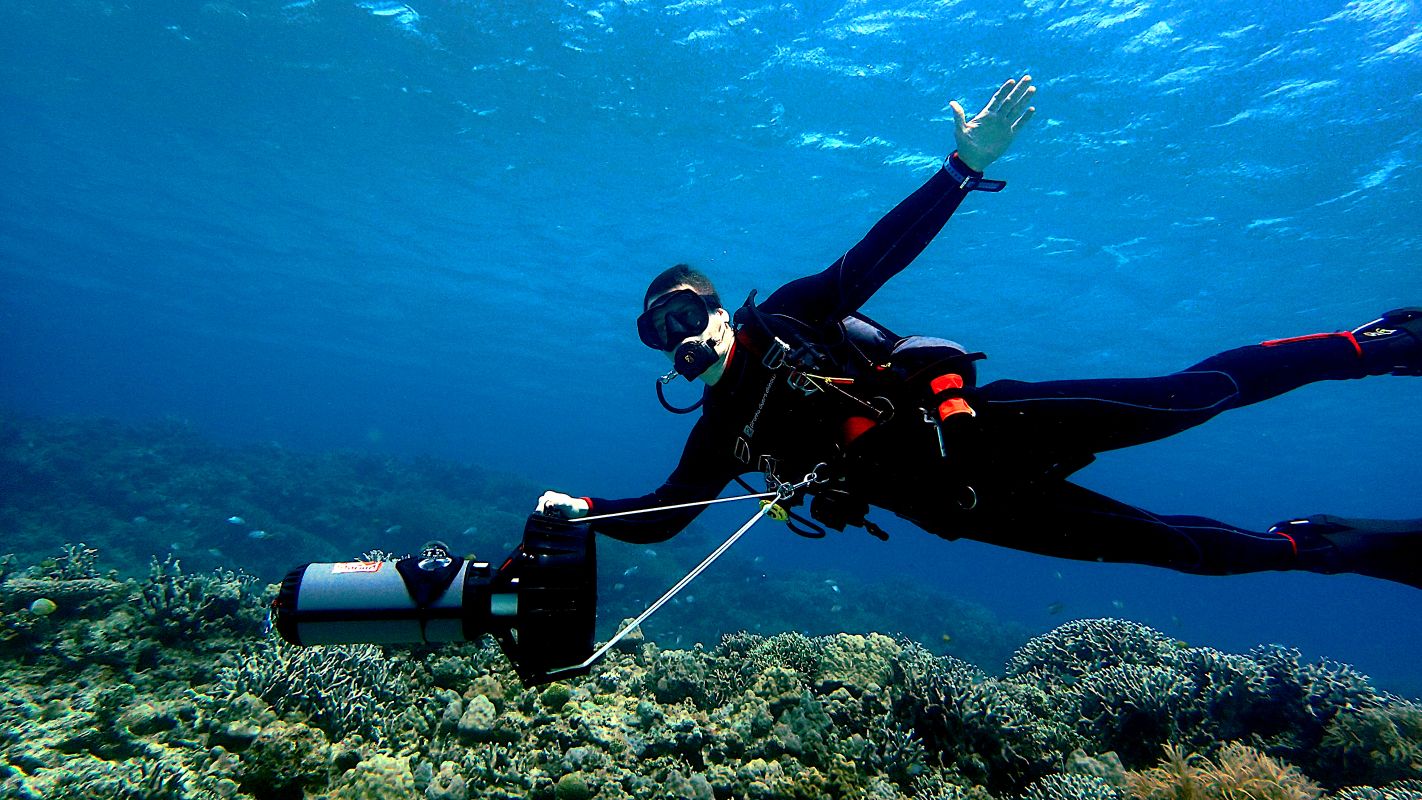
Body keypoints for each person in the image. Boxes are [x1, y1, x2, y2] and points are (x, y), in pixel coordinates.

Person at [536, 75, 1422, 590]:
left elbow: (870, 261)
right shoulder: (720, 433)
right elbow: (669, 515)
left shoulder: (792, 316)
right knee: (1174, 549)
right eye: (662, 334)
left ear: (720, 310)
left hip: (990, 424)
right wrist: (584, 513)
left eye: (687, 313)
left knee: (1194, 396)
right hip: (963, 506)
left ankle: (1376, 344)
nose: (681, 337)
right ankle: (1317, 544)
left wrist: (962, 169)